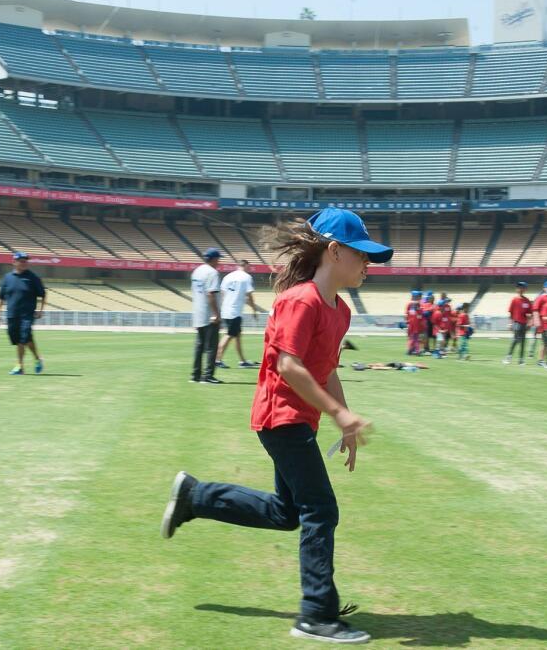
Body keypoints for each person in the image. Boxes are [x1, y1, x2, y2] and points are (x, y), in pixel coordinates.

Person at [161, 207, 392, 645]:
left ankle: (196, 496)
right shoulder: (300, 300)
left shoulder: (338, 311)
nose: (368, 264)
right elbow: (289, 366)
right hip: (280, 417)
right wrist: (339, 415)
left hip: (299, 419)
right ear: (334, 250)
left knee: (288, 513)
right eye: (361, 253)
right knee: (321, 510)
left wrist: (342, 419)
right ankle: (316, 614)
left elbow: (327, 369)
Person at [0, 251, 46, 375]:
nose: (24, 263)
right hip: (12, 314)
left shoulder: (33, 278)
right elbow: (1, 297)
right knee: (25, 339)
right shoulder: (7, 278)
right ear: (14, 262)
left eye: (26, 261)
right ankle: (38, 359)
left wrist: (40, 311)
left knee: (22, 340)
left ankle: (19, 366)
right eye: (21, 261)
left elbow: (43, 295)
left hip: (27, 315)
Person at [215, 259, 262, 369]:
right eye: (249, 267)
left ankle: (242, 361)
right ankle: (217, 360)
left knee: (237, 335)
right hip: (235, 311)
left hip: (226, 309)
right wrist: (254, 309)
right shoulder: (246, 277)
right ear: (245, 266)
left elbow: (223, 293)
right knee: (230, 335)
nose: (249, 269)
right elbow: (249, 295)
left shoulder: (228, 276)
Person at [191, 247, 223, 384]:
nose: (219, 262)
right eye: (218, 259)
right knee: (211, 347)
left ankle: (195, 375)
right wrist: (216, 314)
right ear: (214, 259)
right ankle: (208, 376)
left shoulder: (197, 271)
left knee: (199, 346)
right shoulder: (212, 273)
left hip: (198, 312)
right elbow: (211, 294)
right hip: (209, 314)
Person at [505, 281, 533, 365]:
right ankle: (509, 357)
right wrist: (510, 323)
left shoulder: (527, 300)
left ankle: (521, 359)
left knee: (523, 341)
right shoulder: (514, 300)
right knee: (516, 339)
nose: (520, 289)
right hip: (516, 322)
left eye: (522, 287)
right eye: (519, 287)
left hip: (524, 323)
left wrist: (529, 323)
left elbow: (530, 313)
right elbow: (511, 312)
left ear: (525, 289)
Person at [530, 279, 547, 364]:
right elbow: (535, 309)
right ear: (544, 288)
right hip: (544, 324)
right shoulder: (541, 297)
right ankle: (541, 360)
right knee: (545, 342)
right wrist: (537, 321)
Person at [403, 290, 422, 355]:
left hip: (410, 323)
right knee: (416, 337)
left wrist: (406, 322)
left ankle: (411, 349)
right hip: (416, 323)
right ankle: (416, 350)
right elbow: (420, 315)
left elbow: (406, 314)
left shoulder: (409, 304)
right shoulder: (418, 304)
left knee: (411, 337)